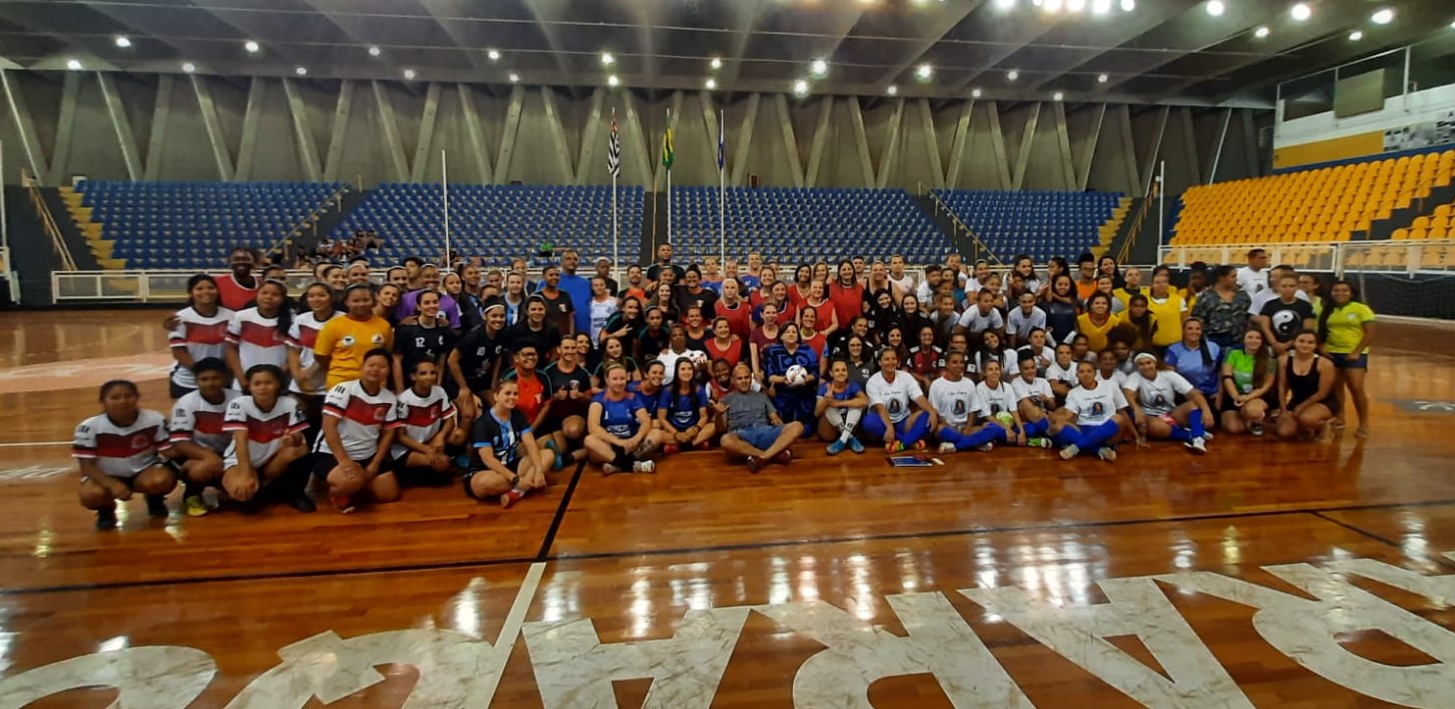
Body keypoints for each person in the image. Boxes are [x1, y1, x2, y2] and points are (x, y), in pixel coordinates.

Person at [74, 380, 177, 530]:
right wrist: (112, 484)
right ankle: (106, 511)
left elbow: (168, 450)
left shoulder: (154, 419)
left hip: (144, 472)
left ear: (137, 397)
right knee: (91, 495)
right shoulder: (88, 427)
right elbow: (86, 466)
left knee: (161, 480)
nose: (122, 401)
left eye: (128, 396)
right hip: (106, 476)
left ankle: (154, 498)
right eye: (115, 397)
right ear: (103, 401)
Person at [312, 348, 402, 513]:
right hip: (331, 454)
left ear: (388, 371)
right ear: (362, 367)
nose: (375, 369)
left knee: (389, 494)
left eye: (382, 366)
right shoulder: (344, 390)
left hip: (367, 455)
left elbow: (389, 433)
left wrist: (375, 463)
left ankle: (354, 485)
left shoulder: (389, 398)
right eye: (371, 365)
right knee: (352, 481)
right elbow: (328, 425)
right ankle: (333, 490)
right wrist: (344, 460)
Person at [219, 364, 311, 512]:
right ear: (249, 386)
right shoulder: (239, 404)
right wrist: (245, 474)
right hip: (242, 461)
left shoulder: (291, 404)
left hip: (272, 461)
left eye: (268, 383)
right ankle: (260, 487)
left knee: (299, 450)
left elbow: (299, 438)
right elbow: (240, 441)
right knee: (242, 493)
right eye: (257, 383)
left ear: (278, 385)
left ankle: (296, 494)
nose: (262, 387)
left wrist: (292, 439)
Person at [167, 358, 237, 516]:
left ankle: (225, 485)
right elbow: (180, 442)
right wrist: (208, 455)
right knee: (202, 469)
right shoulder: (185, 403)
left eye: (215, 378)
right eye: (204, 379)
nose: (210, 383)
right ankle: (192, 493)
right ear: (196, 381)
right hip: (199, 454)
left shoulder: (238, 399)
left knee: (244, 492)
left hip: (231, 453)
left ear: (225, 378)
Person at [465, 378, 550, 508]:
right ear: (496, 396)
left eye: (515, 394)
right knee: (485, 484)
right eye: (507, 393)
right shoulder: (483, 424)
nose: (512, 397)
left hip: (511, 464)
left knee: (547, 454)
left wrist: (538, 470)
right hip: (486, 471)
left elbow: (531, 444)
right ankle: (525, 483)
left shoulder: (518, 415)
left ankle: (518, 492)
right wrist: (515, 479)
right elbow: (489, 460)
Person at [717, 363, 806, 473]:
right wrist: (718, 414)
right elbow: (721, 429)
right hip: (741, 434)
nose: (744, 381)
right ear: (733, 380)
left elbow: (774, 417)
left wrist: (778, 423)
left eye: (746, 377)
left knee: (797, 426)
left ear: (751, 378)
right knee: (725, 440)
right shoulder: (725, 399)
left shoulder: (762, 396)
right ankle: (770, 455)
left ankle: (761, 457)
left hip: (764, 431)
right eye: (740, 378)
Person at [1124, 352, 1213, 454]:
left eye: (1148, 363)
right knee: (1159, 428)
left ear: (1155, 363)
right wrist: (1136, 409)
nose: (1146, 367)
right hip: (1151, 416)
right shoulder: (1135, 376)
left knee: (1193, 404)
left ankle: (1198, 439)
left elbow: (1193, 393)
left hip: (1171, 414)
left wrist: (1206, 411)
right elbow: (1128, 393)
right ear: (1137, 367)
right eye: (1141, 364)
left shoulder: (1168, 374)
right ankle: (1192, 433)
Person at [1317, 280, 1374, 437]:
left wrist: (1357, 351)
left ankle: (1363, 423)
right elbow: (1321, 329)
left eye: (1344, 290)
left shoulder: (1361, 309)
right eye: (1336, 290)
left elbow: (1370, 332)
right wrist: (1321, 347)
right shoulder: (1327, 309)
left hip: (1354, 354)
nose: (1340, 293)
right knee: (1335, 388)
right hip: (1332, 353)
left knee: (1356, 388)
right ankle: (1340, 417)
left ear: (1351, 293)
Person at [390, 360, 460, 486]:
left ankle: (421, 470)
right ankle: (407, 472)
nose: (429, 377)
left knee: (458, 436)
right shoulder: (404, 399)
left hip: (429, 440)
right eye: (423, 373)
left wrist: (440, 436)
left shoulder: (439, 391)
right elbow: (400, 437)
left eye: (432, 373)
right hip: (407, 448)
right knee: (442, 463)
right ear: (413, 376)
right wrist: (426, 449)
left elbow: (449, 419)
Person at [584, 363, 662, 474]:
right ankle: (631, 465)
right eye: (615, 379)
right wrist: (617, 441)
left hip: (632, 445)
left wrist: (636, 439)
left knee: (656, 433)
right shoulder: (599, 400)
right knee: (589, 440)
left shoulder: (633, 397)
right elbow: (593, 427)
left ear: (627, 379)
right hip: (610, 445)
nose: (619, 382)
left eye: (622, 379)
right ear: (607, 380)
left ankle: (618, 465)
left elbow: (646, 421)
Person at [314, 284, 394, 389]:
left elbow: (387, 353)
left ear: (373, 301)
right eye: (355, 301)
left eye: (365, 300)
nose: (361, 304)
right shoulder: (333, 325)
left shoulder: (383, 325)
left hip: (374, 384)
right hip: (341, 383)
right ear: (347, 302)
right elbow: (321, 355)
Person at [169, 274, 234, 399]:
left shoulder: (231, 316)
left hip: (222, 381)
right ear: (191, 293)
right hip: (187, 382)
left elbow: (234, 349)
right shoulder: (180, 318)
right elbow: (178, 353)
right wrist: (202, 373)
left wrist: (224, 374)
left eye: (210, 288)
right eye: (199, 289)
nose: (206, 292)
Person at [1051, 361, 1130, 462]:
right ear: (1077, 375)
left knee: (1119, 418)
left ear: (1095, 373)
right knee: (1056, 425)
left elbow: (1122, 410)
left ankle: (1076, 447)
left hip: (1107, 429)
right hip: (1085, 428)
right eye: (1082, 372)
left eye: (1089, 371)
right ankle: (1098, 450)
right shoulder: (1073, 392)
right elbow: (1069, 415)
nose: (1086, 374)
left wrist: (1137, 437)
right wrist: (1055, 419)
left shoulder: (1110, 386)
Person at [864, 347, 937, 452]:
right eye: (887, 359)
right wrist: (889, 427)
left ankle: (901, 443)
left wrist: (932, 412)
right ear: (880, 362)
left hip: (903, 421)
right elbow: (880, 408)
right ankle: (910, 442)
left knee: (926, 415)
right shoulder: (873, 381)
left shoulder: (906, 377)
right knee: (868, 421)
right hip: (883, 423)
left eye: (893, 359)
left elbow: (919, 397)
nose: (891, 362)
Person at [223, 279, 291, 392]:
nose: (269, 297)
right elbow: (231, 349)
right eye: (264, 293)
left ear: (283, 298)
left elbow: (294, 354)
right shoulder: (241, 317)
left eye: (275, 294)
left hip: (278, 382)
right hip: (245, 380)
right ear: (257, 295)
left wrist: (280, 377)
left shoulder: (292, 320)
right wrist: (241, 379)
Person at [932, 352, 1006, 453]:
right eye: (955, 362)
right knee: (941, 430)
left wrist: (967, 428)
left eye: (962, 362)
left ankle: (955, 445)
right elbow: (935, 411)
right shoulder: (937, 384)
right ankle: (975, 442)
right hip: (947, 427)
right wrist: (947, 426)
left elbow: (973, 410)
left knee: (994, 428)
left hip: (965, 427)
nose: (959, 365)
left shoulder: (969, 383)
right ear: (947, 365)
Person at [287, 282, 340, 422]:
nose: (316, 299)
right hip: (301, 387)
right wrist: (298, 376)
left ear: (331, 298)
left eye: (321, 295)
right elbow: (293, 350)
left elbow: (329, 354)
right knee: (299, 427)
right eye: (311, 296)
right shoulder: (301, 319)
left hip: (329, 385)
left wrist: (308, 373)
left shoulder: (342, 320)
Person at [540, 337, 595, 469]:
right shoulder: (548, 372)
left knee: (572, 430)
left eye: (572, 348)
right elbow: (543, 399)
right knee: (558, 449)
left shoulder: (582, 373)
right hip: (554, 419)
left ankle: (579, 441)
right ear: (559, 350)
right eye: (566, 348)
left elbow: (590, 400)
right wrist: (556, 396)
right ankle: (568, 455)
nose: (570, 351)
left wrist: (580, 396)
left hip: (574, 416)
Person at [1278, 330, 1337, 440]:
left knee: (1306, 418)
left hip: (1322, 401)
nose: (1305, 345)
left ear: (1316, 345)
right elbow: (1282, 386)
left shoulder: (1325, 364)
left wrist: (1301, 406)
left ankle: (1324, 425)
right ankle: (1307, 428)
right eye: (1301, 341)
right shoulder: (1283, 360)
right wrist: (1283, 409)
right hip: (1297, 399)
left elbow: (1323, 392)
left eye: (1310, 342)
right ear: (1294, 342)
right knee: (1284, 432)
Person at [392, 289, 455, 393]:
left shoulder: (444, 328)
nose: (432, 306)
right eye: (427, 303)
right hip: (409, 382)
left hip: (431, 383)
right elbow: (397, 360)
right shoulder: (406, 329)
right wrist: (400, 390)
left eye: (435, 302)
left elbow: (441, 361)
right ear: (418, 306)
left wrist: (437, 386)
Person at [762, 322, 819, 431]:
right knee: (782, 429)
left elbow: (816, 371)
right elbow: (769, 376)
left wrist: (808, 378)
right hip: (782, 394)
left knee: (806, 431)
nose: (791, 334)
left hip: (804, 393)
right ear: (781, 336)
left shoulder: (807, 349)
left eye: (794, 332)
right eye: (787, 332)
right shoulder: (773, 351)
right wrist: (783, 379)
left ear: (798, 335)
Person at [1219, 328, 1277, 436]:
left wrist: (1247, 398)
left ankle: (1256, 418)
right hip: (1235, 395)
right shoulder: (1233, 353)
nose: (1253, 340)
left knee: (1253, 411)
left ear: (1262, 341)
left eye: (1257, 338)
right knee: (1234, 428)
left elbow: (1266, 386)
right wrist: (1236, 396)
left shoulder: (1270, 359)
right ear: (1244, 340)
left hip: (1257, 396)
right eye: (1250, 337)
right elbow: (1227, 377)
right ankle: (1249, 418)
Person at [658, 358, 717, 454]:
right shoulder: (667, 391)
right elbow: (662, 418)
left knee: (712, 427)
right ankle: (695, 444)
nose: (687, 372)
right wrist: (676, 433)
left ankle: (681, 446)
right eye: (683, 369)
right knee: (657, 434)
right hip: (674, 430)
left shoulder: (699, 389)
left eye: (689, 369)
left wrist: (696, 428)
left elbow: (704, 416)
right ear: (677, 371)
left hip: (693, 430)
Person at [814, 358, 868, 454]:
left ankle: (842, 440)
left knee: (857, 404)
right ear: (831, 373)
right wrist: (826, 400)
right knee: (829, 405)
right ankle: (849, 437)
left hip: (849, 425)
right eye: (837, 370)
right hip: (830, 431)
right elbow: (816, 413)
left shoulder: (852, 385)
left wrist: (838, 403)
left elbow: (864, 401)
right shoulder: (825, 387)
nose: (841, 373)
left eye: (843, 370)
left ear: (847, 372)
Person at [1191, 265, 1252, 350]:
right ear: (1221, 278)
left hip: (1238, 340)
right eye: (1233, 276)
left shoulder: (1242, 294)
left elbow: (1249, 315)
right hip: (1213, 340)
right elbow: (1198, 319)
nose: (1236, 279)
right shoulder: (1206, 296)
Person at [1256, 273, 1316, 357]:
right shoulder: (1269, 305)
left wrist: (1287, 345)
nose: (1288, 289)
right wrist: (1275, 344)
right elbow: (1265, 327)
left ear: (1297, 287)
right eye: (1284, 286)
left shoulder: (1305, 306)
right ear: (1278, 287)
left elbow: (1307, 329)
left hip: (1296, 348)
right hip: (1272, 346)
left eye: (1292, 286)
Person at [1164, 317, 1222, 400]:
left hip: (1211, 394)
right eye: (1190, 329)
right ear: (1183, 331)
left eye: (1197, 329)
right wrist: (1190, 391)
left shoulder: (1213, 347)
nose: (1194, 332)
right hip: (1185, 394)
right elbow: (1170, 375)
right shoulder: (1174, 350)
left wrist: (1219, 394)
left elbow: (1220, 372)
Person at [509, 296, 564, 361]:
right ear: (527, 311)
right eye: (533, 309)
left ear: (545, 310)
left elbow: (554, 353)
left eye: (540, 309)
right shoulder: (516, 329)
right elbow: (512, 353)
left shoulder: (552, 329)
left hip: (544, 366)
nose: (537, 312)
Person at [1146, 269, 1188, 351]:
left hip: (1176, 345)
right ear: (1151, 285)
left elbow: (1185, 321)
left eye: (1164, 282)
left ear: (1168, 285)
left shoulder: (1179, 300)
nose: (1161, 285)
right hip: (1153, 346)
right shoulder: (1145, 301)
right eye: (1157, 282)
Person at [557, 250, 594, 337]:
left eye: (575, 259)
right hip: (562, 331)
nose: (572, 261)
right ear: (562, 262)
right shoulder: (552, 281)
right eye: (568, 259)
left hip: (584, 332)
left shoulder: (586, 283)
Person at [534, 265, 575, 335]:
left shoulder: (565, 295)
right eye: (551, 275)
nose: (554, 277)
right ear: (544, 277)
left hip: (563, 339)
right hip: (544, 338)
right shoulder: (538, 296)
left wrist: (571, 335)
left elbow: (570, 318)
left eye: (557, 275)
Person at [216, 246, 260, 311]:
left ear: (254, 262)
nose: (241, 262)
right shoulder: (218, 282)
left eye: (246, 259)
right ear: (230, 262)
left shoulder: (262, 283)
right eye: (236, 259)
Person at [1041, 273, 1080, 345]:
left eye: (1066, 285)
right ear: (1054, 285)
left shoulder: (1075, 302)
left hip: (1070, 340)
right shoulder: (1045, 302)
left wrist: (1067, 341)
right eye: (1060, 284)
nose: (1063, 287)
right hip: (1050, 341)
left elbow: (1077, 325)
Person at [749, 302, 783, 377]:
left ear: (777, 315)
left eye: (773, 313)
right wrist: (757, 374)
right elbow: (754, 357)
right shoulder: (755, 333)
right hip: (762, 372)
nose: (771, 315)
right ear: (761, 315)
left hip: (781, 372)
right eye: (768, 313)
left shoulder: (783, 331)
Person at [587, 276, 619, 343]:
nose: (599, 287)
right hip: (593, 341)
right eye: (596, 285)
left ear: (605, 286)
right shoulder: (589, 303)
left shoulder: (614, 302)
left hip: (610, 341)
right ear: (592, 287)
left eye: (601, 285)